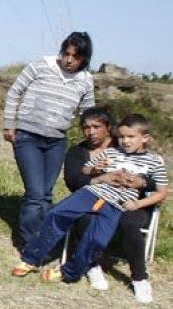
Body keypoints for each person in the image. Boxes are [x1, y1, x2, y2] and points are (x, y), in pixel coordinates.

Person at [12, 115, 168, 289]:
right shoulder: (111, 152)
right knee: (57, 213)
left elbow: (162, 192)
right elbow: (86, 169)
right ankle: (31, 259)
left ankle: (69, 271)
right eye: (122, 137)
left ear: (145, 138)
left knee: (97, 240)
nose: (125, 141)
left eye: (131, 137)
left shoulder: (154, 162)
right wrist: (96, 169)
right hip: (91, 193)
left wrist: (138, 203)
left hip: (117, 203)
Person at [2, 31, 96, 248]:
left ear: (84, 59)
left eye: (75, 56)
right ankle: (29, 245)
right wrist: (9, 124)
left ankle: (42, 238)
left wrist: (97, 140)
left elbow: (88, 114)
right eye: (66, 53)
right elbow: (14, 92)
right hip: (28, 136)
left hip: (56, 141)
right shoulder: (40, 66)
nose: (69, 59)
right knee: (35, 193)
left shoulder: (86, 80)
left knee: (45, 195)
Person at [62, 108, 157, 301]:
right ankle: (92, 265)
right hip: (95, 198)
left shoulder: (125, 142)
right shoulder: (78, 152)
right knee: (85, 215)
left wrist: (141, 182)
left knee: (129, 222)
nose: (91, 132)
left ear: (108, 128)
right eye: (86, 127)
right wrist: (99, 176)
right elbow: (73, 181)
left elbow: (153, 177)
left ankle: (139, 278)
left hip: (130, 201)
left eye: (97, 126)